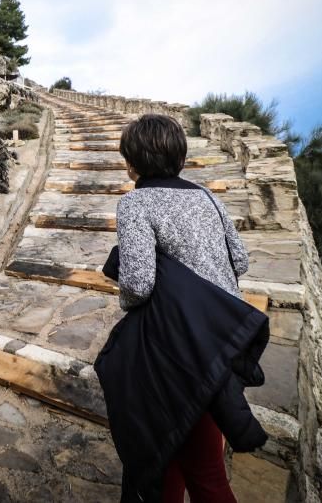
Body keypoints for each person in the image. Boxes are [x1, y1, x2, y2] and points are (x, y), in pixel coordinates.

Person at [98, 113, 263, 503]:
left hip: (176, 347)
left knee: (198, 470)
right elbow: (240, 261)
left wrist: (131, 296)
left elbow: (138, 285)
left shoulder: (136, 203)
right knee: (179, 458)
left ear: (132, 161)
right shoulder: (207, 197)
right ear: (180, 157)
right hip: (221, 337)